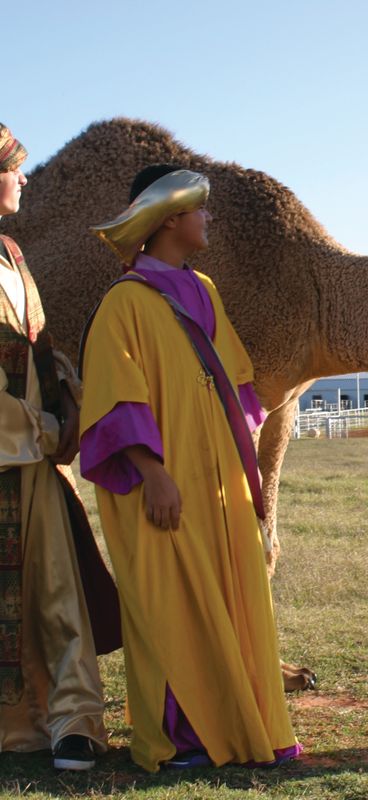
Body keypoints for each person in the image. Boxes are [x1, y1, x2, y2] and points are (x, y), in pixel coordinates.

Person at [78, 164, 301, 771]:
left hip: (217, 484)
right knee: (169, 603)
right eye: (200, 210)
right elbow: (114, 399)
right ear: (171, 217)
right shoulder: (123, 303)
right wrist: (154, 473)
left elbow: (236, 388)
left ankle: (238, 724)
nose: (208, 220)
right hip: (161, 486)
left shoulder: (203, 289)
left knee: (230, 596)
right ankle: (177, 738)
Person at [0, 123, 120, 769]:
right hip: (16, 445)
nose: (22, 178)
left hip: (34, 453)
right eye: (12, 168)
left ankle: (73, 721)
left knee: (58, 589)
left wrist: (67, 400)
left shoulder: (13, 255)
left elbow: (35, 348)